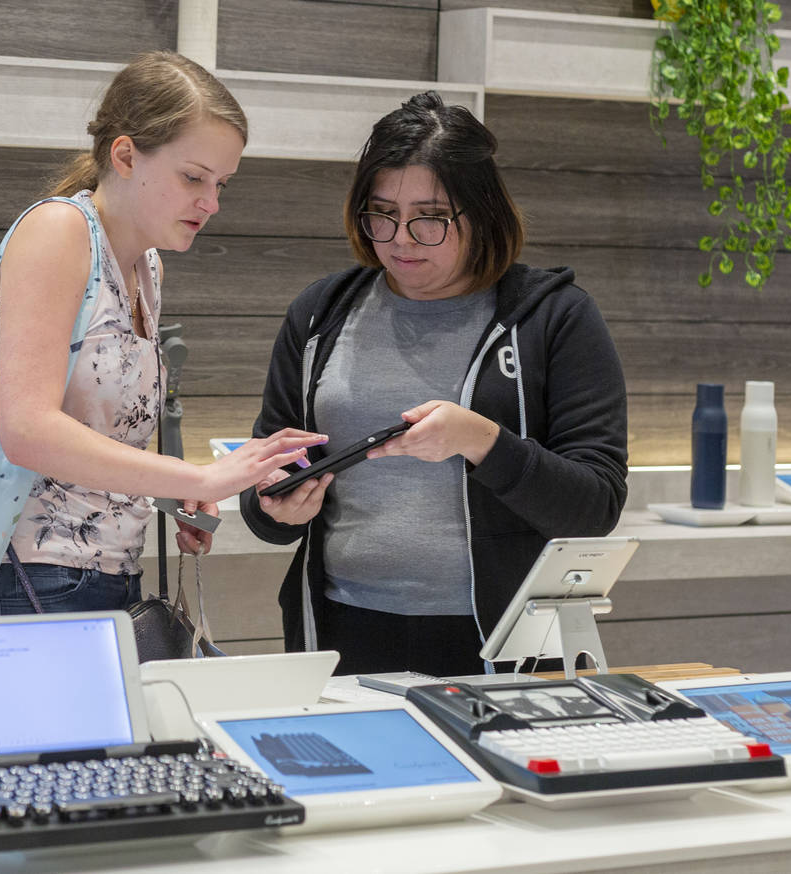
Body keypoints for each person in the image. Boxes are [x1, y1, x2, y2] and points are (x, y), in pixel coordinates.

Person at [239, 91, 627, 678]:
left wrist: (484, 443)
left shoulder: (555, 317)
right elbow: (263, 470)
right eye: (382, 213)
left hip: (507, 638)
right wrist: (275, 507)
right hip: (342, 630)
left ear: (482, 212)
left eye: (429, 217)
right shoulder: (321, 314)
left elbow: (596, 504)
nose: (399, 238)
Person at [0, 50, 324, 618]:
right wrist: (195, 475)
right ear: (125, 155)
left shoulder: (145, 264)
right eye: (193, 178)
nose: (211, 203)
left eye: (222, 184)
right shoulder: (59, 231)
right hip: (24, 575)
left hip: (104, 571)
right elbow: (27, 430)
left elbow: (98, 440)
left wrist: (173, 492)